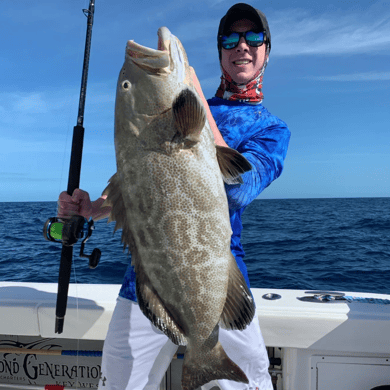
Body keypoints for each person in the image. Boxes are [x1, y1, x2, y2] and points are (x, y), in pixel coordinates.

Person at [57, 3, 290, 390]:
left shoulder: (271, 129)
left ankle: (206, 355)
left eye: (254, 38)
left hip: (216, 281)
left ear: (266, 50)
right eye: (230, 39)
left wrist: (193, 102)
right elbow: (147, 182)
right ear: (220, 52)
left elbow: (240, 188)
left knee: (251, 383)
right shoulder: (186, 105)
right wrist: (93, 208)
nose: (242, 46)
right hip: (145, 281)